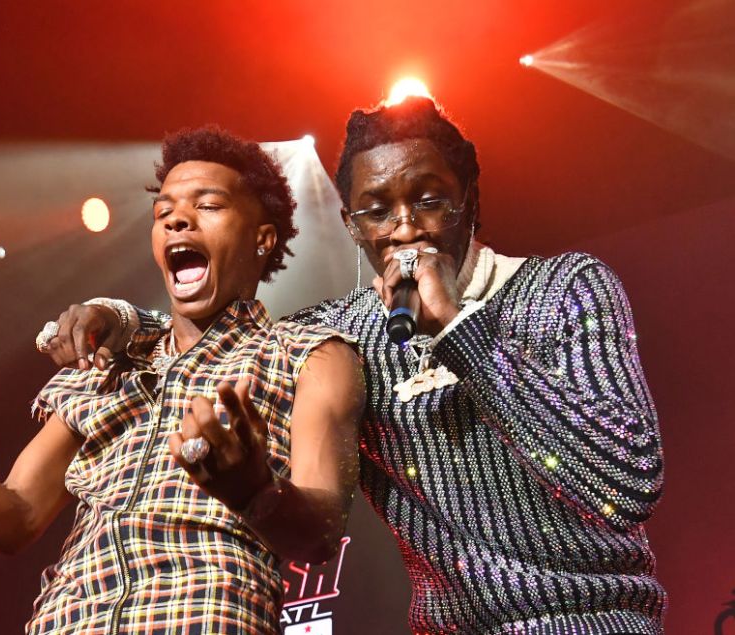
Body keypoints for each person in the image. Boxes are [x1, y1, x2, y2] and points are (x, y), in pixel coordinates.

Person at [41, 98, 667, 634]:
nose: (403, 227)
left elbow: (627, 484)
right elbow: (221, 337)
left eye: (429, 200)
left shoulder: (564, 289)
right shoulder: (343, 339)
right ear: (350, 225)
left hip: (594, 619)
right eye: (376, 209)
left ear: (470, 201)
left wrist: (460, 333)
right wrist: (120, 318)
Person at [0, 126, 364, 634]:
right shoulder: (111, 362)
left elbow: (320, 532)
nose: (178, 220)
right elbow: (15, 515)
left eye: (208, 205)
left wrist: (253, 489)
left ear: (263, 239)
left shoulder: (308, 355)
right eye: (165, 214)